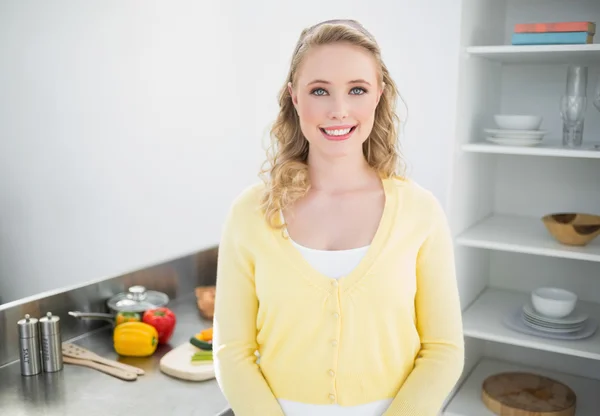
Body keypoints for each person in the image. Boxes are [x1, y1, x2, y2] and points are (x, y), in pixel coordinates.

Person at [212, 19, 464, 416]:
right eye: (320, 91)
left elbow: (444, 350)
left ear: (379, 96)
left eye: (357, 90)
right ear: (294, 98)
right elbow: (232, 352)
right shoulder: (250, 213)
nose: (339, 110)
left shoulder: (420, 211)